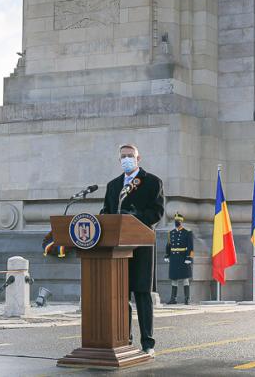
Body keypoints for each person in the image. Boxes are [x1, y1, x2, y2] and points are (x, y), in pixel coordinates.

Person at [100, 143, 165, 356]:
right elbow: (107, 211)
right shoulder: (113, 185)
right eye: (123, 156)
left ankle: (148, 343)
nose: (126, 159)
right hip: (117, 250)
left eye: (130, 156)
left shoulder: (152, 182)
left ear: (139, 158)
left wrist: (134, 219)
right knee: (121, 294)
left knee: (142, 294)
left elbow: (157, 212)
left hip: (141, 246)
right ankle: (124, 339)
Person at [165, 213, 194, 304]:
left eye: (178, 221)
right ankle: (173, 299)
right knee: (174, 278)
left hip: (183, 257)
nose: (177, 222)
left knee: (185, 278)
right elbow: (168, 245)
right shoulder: (171, 233)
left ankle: (187, 299)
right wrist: (167, 255)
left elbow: (191, 247)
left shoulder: (187, 232)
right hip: (174, 258)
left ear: (181, 221)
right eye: (176, 221)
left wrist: (189, 257)